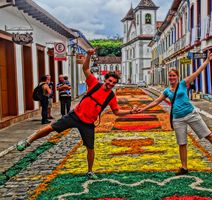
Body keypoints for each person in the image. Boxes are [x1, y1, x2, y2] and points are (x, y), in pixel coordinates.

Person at [16, 49, 138, 180]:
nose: (111, 84)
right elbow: (85, 69)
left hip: (88, 123)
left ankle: (90, 171)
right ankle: (28, 141)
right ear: (105, 79)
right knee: (51, 128)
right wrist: (89, 55)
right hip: (75, 116)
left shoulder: (111, 96)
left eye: (113, 83)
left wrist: (130, 111)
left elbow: (117, 112)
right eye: (109, 81)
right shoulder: (94, 84)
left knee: (90, 148)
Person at [137, 51, 212, 176]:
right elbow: (156, 101)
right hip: (177, 119)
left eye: (174, 75)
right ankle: (184, 167)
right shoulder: (167, 91)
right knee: (182, 143)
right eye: (170, 76)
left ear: (177, 77)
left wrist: (207, 61)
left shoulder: (183, 84)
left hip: (191, 114)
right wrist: (143, 109)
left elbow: (197, 73)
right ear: (168, 77)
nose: (172, 78)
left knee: (208, 135)